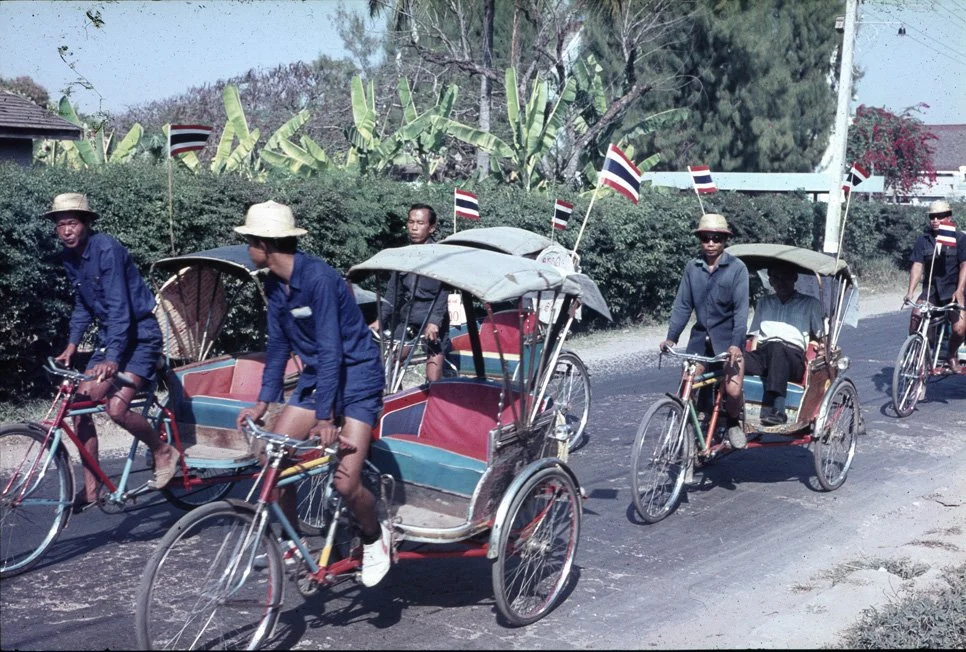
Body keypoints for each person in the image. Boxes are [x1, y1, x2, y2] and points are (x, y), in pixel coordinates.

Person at [233, 200, 390, 587]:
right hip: (319, 377)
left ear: (264, 245)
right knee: (276, 458)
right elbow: (277, 348)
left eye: (248, 242)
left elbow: (333, 348)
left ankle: (374, 537)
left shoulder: (319, 278)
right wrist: (263, 403)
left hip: (356, 379)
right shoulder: (272, 283)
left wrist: (325, 417)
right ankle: (291, 540)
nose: (246, 250)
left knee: (345, 484)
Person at [45, 192, 179, 511]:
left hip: (141, 336)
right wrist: (72, 346)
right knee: (79, 404)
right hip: (112, 339)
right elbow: (82, 305)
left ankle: (162, 451)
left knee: (116, 410)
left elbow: (119, 309)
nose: (66, 231)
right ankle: (91, 490)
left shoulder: (107, 249)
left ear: (86, 224)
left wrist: (112, 359)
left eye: (72, 223)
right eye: (61, 224)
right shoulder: (70, 258)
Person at [660, 213, 749, 449]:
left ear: (724, 241)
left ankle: (732, 422)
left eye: (716, 239)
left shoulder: (737, 269)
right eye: (706, 238)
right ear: (700, 240)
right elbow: (682, 305)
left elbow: (741, 312)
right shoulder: (693, 268)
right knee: (688, 381)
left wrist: (735, 344)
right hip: (700, 339)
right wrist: (671, 337)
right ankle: (694, 424)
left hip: (728, 340)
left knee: (732, 389)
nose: (711, 243)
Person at [369, 203, 449, 382]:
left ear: (431, 227)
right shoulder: (402, 256)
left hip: (432, 317)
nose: (414, 227)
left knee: (433, 376)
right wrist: (381, 319)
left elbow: (444, 292)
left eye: (420, 223)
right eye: (411, 222)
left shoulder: (441, 256)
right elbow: (392, 293)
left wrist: (434, 322)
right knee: (389, 365)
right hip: (407, 317)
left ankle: (435, 402)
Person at [744, 263, 825, 426]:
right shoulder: (764, 302)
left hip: (793, 359)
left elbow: (822, 335)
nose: (780, 283)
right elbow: (755, 337)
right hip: (764, 356)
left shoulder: (810, 303)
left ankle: (778, 410)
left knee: (777, 347)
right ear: (771, 281)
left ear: (794, 278)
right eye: (775, 278)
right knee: (729, 356)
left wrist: (824, 350)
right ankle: (714, 407)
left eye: (785, 277)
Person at [903, 200, 966, 373]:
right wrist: (910, 292)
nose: (935, 220)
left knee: (959, 329)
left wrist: (959, 290)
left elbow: (964, 266)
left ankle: (951, 355)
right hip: (932, 290)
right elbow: (917, 266)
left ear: (949, 217)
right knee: (916, 318)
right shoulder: (923, 240)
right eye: (932, 216)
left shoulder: (960, 239)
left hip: (954, 290)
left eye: (940, 216)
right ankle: (918, 355)